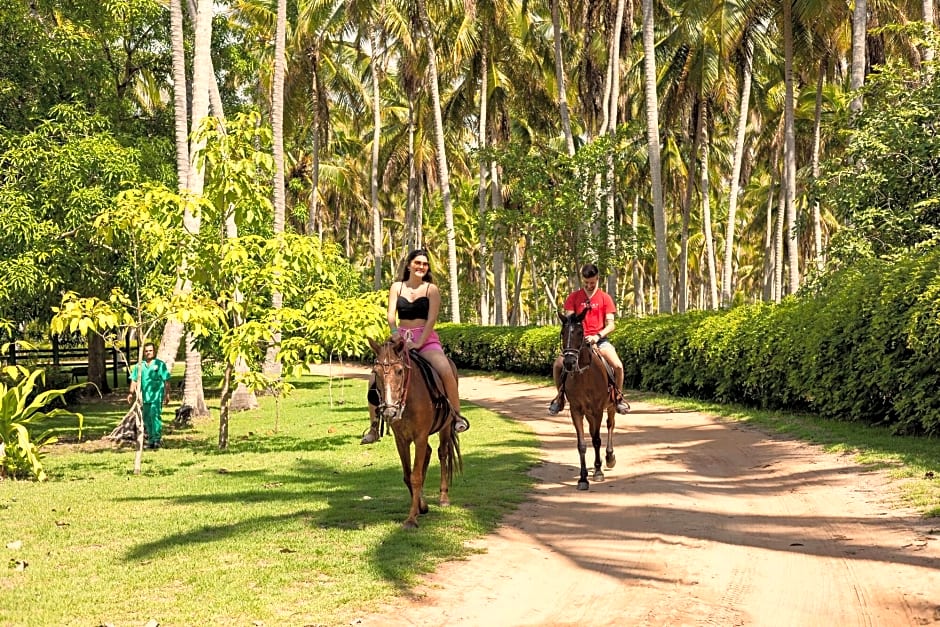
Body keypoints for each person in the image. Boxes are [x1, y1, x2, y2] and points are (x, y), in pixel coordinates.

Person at [362, 249, 469, 444]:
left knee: (445, 369)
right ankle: (374, 426)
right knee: (374, 376)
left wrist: (419, 342)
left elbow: (432, 319)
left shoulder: (431, 289)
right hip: (399, 338)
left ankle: (456, 416)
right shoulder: (397, 287)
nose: (421, 267)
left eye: (425, 264)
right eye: (417, 263)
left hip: (425, 338)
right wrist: (395, 334)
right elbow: (390, 315)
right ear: (409, 265)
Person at [548, 263, 631, 416]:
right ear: (582, 280)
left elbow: (611, 325)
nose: (589, 285)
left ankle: (618, 397)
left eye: (592, 282)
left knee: (618, 366)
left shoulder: (605, 298)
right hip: (577, 344)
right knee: (557, 365)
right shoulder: (573, 298)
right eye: (586, 283)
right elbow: (570, 321)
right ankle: (560, 397)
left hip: (599, 341)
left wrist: (597, 336)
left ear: (598, 279)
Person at [127, 342, 171, 449]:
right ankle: (151, 440)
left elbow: (166, 380)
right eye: (146, 351)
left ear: (154, 351)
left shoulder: (160, 364)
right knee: (146, 418)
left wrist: (167, 394)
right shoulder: (139, 366)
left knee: (155, 416)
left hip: (157, 396)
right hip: (145, 397)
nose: (148, 353)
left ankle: (157, 439)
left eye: (150, 350)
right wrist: (131, 393)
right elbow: (134, 379)